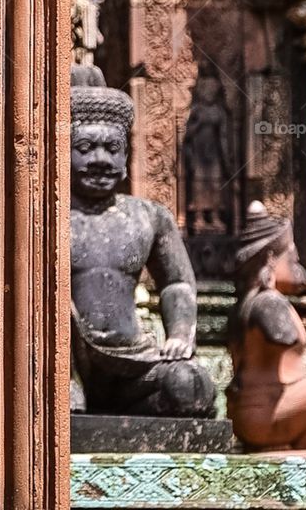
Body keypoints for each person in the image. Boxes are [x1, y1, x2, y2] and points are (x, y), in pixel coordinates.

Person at [70, 67, 215, 416]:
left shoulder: (148, 217)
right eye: (85, 147)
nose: (100, 160)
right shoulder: (45, 217)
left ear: (126, 158)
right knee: (56, 398)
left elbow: (177, 282)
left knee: (190, 387)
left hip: (135, 359)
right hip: (63, 363)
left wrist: (180, 334)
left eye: (112, 148)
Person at [227, 201, 306, 449]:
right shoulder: (268, 303)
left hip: (252, 412)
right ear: (271, 259)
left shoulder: (246, 303)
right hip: (266, 413)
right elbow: (284, 336)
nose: (298, 263)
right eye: (291, 255)